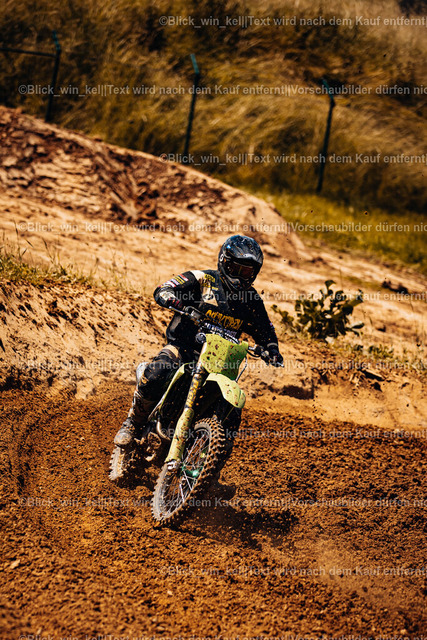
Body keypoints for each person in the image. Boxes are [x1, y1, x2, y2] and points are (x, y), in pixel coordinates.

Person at [114, 234, 283, 451]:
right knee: (157, 373)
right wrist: (177, 303)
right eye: (236, 269)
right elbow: (164, 289)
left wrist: (272, 350)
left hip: (220, 363)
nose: (241, 277)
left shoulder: (251, 300)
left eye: (247, 272)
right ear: (224, 262)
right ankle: (133, 423)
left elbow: (266, 330)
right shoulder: (203, 279)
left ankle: (210, 456)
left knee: (233, 411)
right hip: (183, 348)